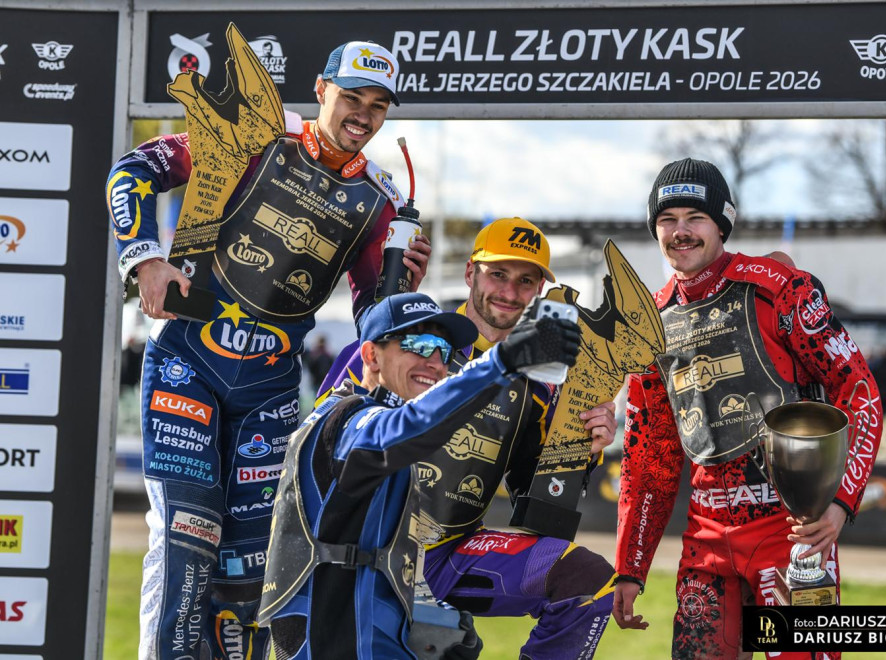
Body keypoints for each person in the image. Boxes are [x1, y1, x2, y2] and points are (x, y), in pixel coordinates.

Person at [106, 40, 429, 659]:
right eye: (352, 97)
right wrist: (143, 259)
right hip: (187, 360)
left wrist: (402, 291)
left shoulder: (380, 201)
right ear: (321, 90)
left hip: (270, 387)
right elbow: (134, 170)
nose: (362, 115)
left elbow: (372, 321)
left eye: (378, 105)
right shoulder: (256, 137)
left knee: (252, 565)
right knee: (186, 538)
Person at [612, 158, 883, 659]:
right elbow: (649, 455)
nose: (680, 231)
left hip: (792, 532)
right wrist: (630, 566)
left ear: (722, 224)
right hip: (706, 540)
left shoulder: (780, 289)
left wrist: (841, 502)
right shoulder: (649, 323)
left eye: (695, 217)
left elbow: (859, 390)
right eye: (667, 219)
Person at [318, 217, 619, 658]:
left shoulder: (541, 386)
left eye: (525, 280)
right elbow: (322, 442)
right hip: (363, 549)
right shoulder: (401, 336)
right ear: (469, 273)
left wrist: (581, 450)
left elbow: (535, 501)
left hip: (449, 555)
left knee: (586, 580)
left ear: (539, 290)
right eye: (498, 274)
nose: (509, 292)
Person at [261, 291, 582, 658]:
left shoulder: (367, 423)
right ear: (371, 355)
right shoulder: (350, 421)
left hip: (366, 636)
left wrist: (431, 621)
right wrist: (502, 362)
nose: (435, 362)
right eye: (418, 345)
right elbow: (411, 425)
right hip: (334, 645)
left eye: (444, 352)